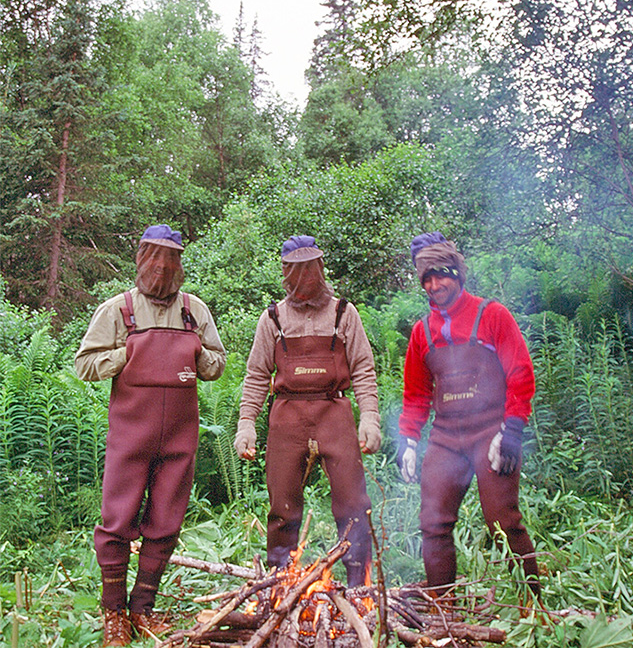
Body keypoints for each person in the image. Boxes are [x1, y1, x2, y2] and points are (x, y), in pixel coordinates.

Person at [74, 224, 226, 646]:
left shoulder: (194, 311)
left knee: (166, 521)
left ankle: (143, 610)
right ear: (141, 259)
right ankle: (113, 616)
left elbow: (218, 364)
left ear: (180, 263)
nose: (162, 267)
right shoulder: (118, 310)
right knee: (117, 521)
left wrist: (197, 352)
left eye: (171, 257)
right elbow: (84, 365)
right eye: (154, 256)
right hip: (130, 436)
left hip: (181, 435)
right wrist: (126, 354)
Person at [398, 232, 540, 598]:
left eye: (441, 275)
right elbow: (415, 394)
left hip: (491, 432)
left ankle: (534, 605)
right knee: (433, 522)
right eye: (426, 279)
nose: (434, 285)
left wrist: (512, 429)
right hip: (446, 438)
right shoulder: (421, 332)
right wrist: (410, 440)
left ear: (458, 274)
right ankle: (443, 609)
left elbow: (520, 373)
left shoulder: (491, 315)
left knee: (502, 522)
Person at [234, 235, 381, 585]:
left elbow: (363, 369)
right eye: (294, 270)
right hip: (287, 417)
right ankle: (280, 583)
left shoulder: (345, 313)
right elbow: (256, 374)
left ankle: (360, 585)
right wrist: (246, 423)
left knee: (353, 504)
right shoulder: (272, 318)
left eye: (309, 269)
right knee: (282, 508)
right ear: (285, 273)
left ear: (320, 268)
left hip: (335, 412)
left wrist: (370, 418)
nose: (303, 278)